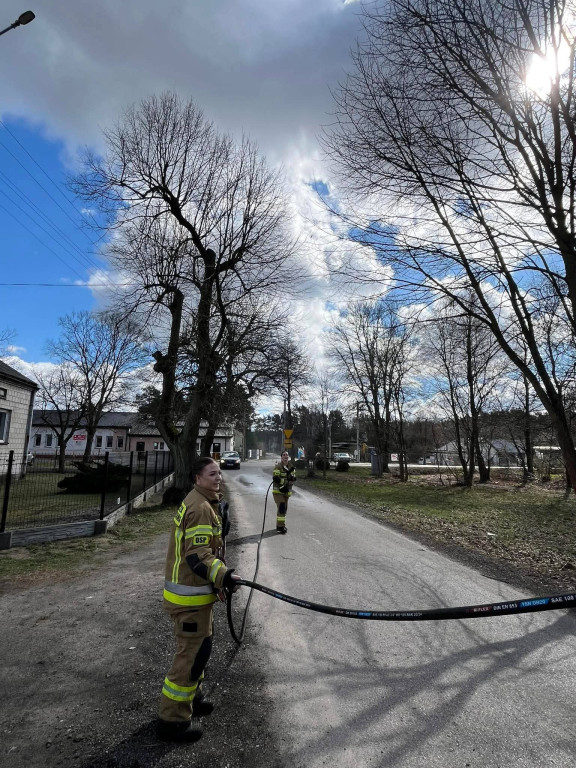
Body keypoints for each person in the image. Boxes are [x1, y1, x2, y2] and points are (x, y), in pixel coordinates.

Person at [157, 457, 242, 743]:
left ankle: (193, 697)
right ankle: (172, 720)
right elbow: (198, 557)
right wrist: (225, 577)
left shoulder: (204, 502)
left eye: (219, 472)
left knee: (201, 649)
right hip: (189, 597)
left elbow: (206, 543)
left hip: (196, 595)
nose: (218, 477)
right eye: (212, 473)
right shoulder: (200, 507)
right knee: (190, 657)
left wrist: (222, 523)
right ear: (197, 477)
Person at [272, 450, 296, 534]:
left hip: (286, 492)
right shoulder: (278, 467)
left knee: (284, 509)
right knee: (282, 506)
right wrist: (285, 482)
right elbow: (275, 478)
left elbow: (294, 477)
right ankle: (280, 527)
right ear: (281, 457)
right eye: (284, 455)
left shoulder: (291, 467)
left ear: (288, 457)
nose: (285, 456)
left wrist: (292, 480)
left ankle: (280, 524)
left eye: (287, 455)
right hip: (278, 491)